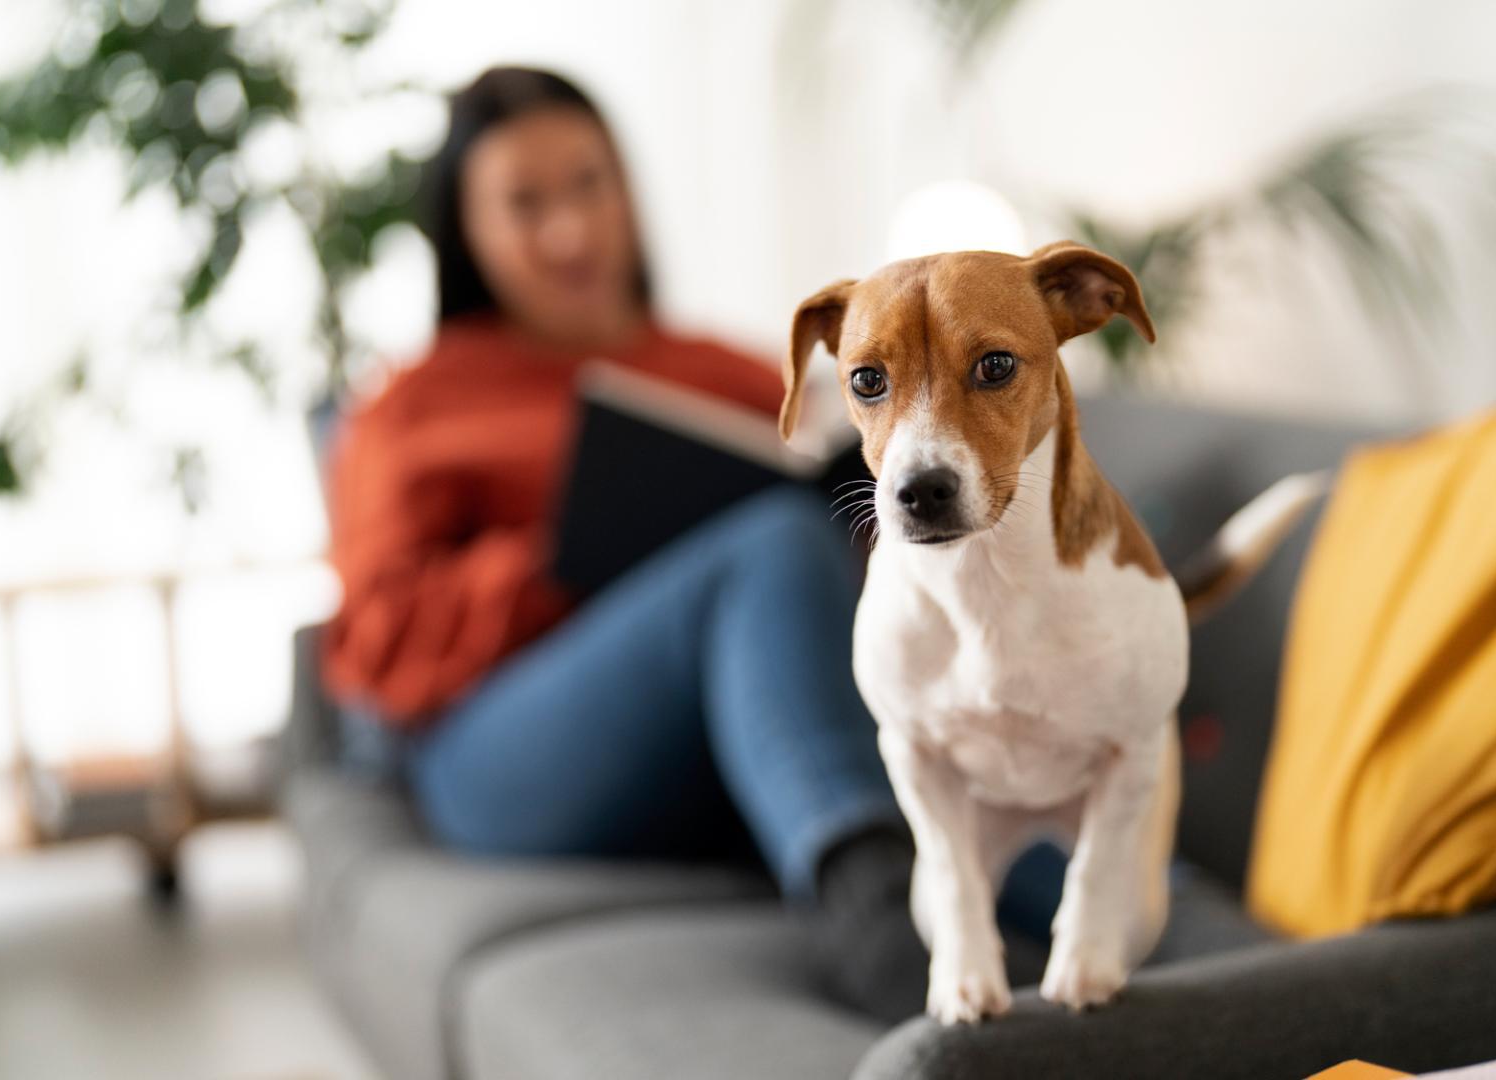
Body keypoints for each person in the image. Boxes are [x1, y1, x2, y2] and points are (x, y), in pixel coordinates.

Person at [322, 67, 1057, 1021]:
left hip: (730, 733)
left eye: (588, 185)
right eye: (525, 204)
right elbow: (374, 644)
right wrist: (567, 557)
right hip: (501, 755)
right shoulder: (411, 405)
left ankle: (1165, 926)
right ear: (468, 232)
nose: (570, 231)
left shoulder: (729, 374)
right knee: (766, 545)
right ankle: (873, 910)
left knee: (823, 572)